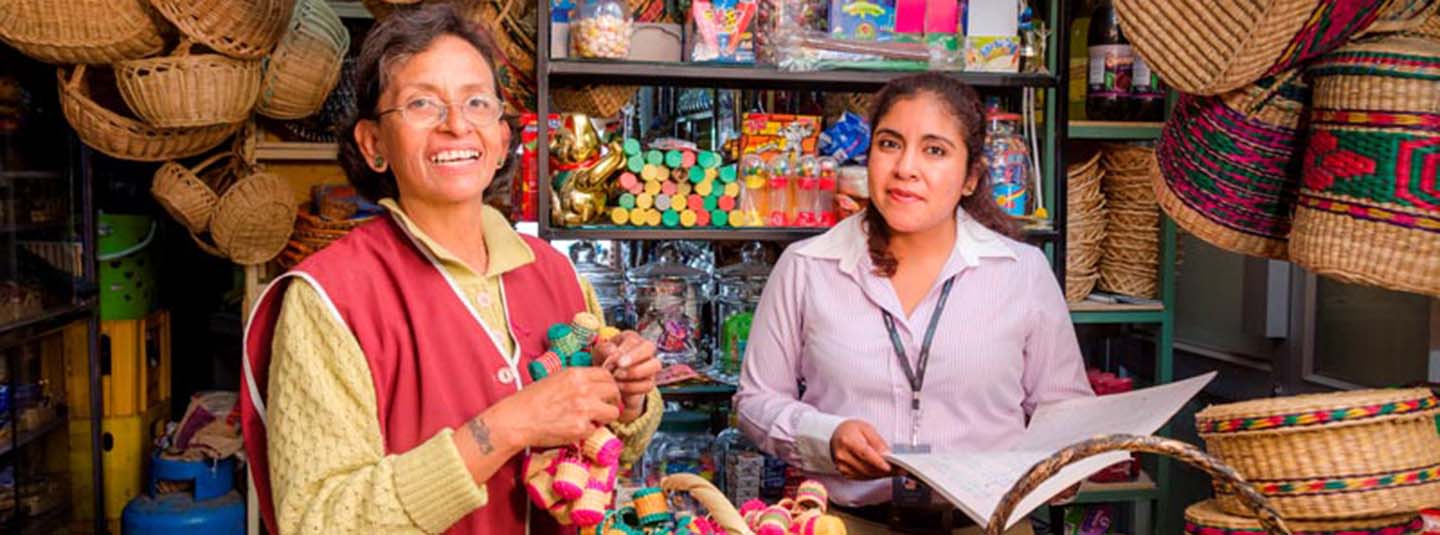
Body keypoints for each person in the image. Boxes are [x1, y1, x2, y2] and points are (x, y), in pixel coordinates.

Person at [239, 5, 663, 534]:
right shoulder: (330, 297)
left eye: (477, 102)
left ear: (504, 139)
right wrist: (507, 426)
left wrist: (626, 396)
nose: (457, 125)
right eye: (422, 104)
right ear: (374, 145)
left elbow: (603, 459)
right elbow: (320, 520)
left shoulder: (555, 273)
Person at [734, 73, 1094, 535]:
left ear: (971, 178)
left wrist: (1067, 467)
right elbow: (755, 400)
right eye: (889, 143)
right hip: (847, 523)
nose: (906, 167)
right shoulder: (807, 266)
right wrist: (826, 438)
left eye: (935, 150)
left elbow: (1065, 408)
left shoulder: (1019, 271)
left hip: (988, 524)